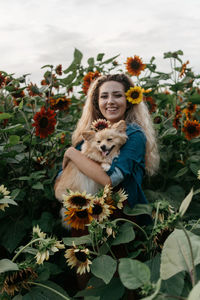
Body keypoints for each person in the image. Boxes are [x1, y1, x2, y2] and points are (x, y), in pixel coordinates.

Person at [54, 73, 159, 214]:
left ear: (128, 101)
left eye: (117, 95)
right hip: (84, 216)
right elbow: (62, 179)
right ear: (96, 103)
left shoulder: (134, 135)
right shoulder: (93, 133)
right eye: (104, 96)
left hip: (121, 217)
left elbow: (110, 180)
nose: (110, 101)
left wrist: (71, 153)